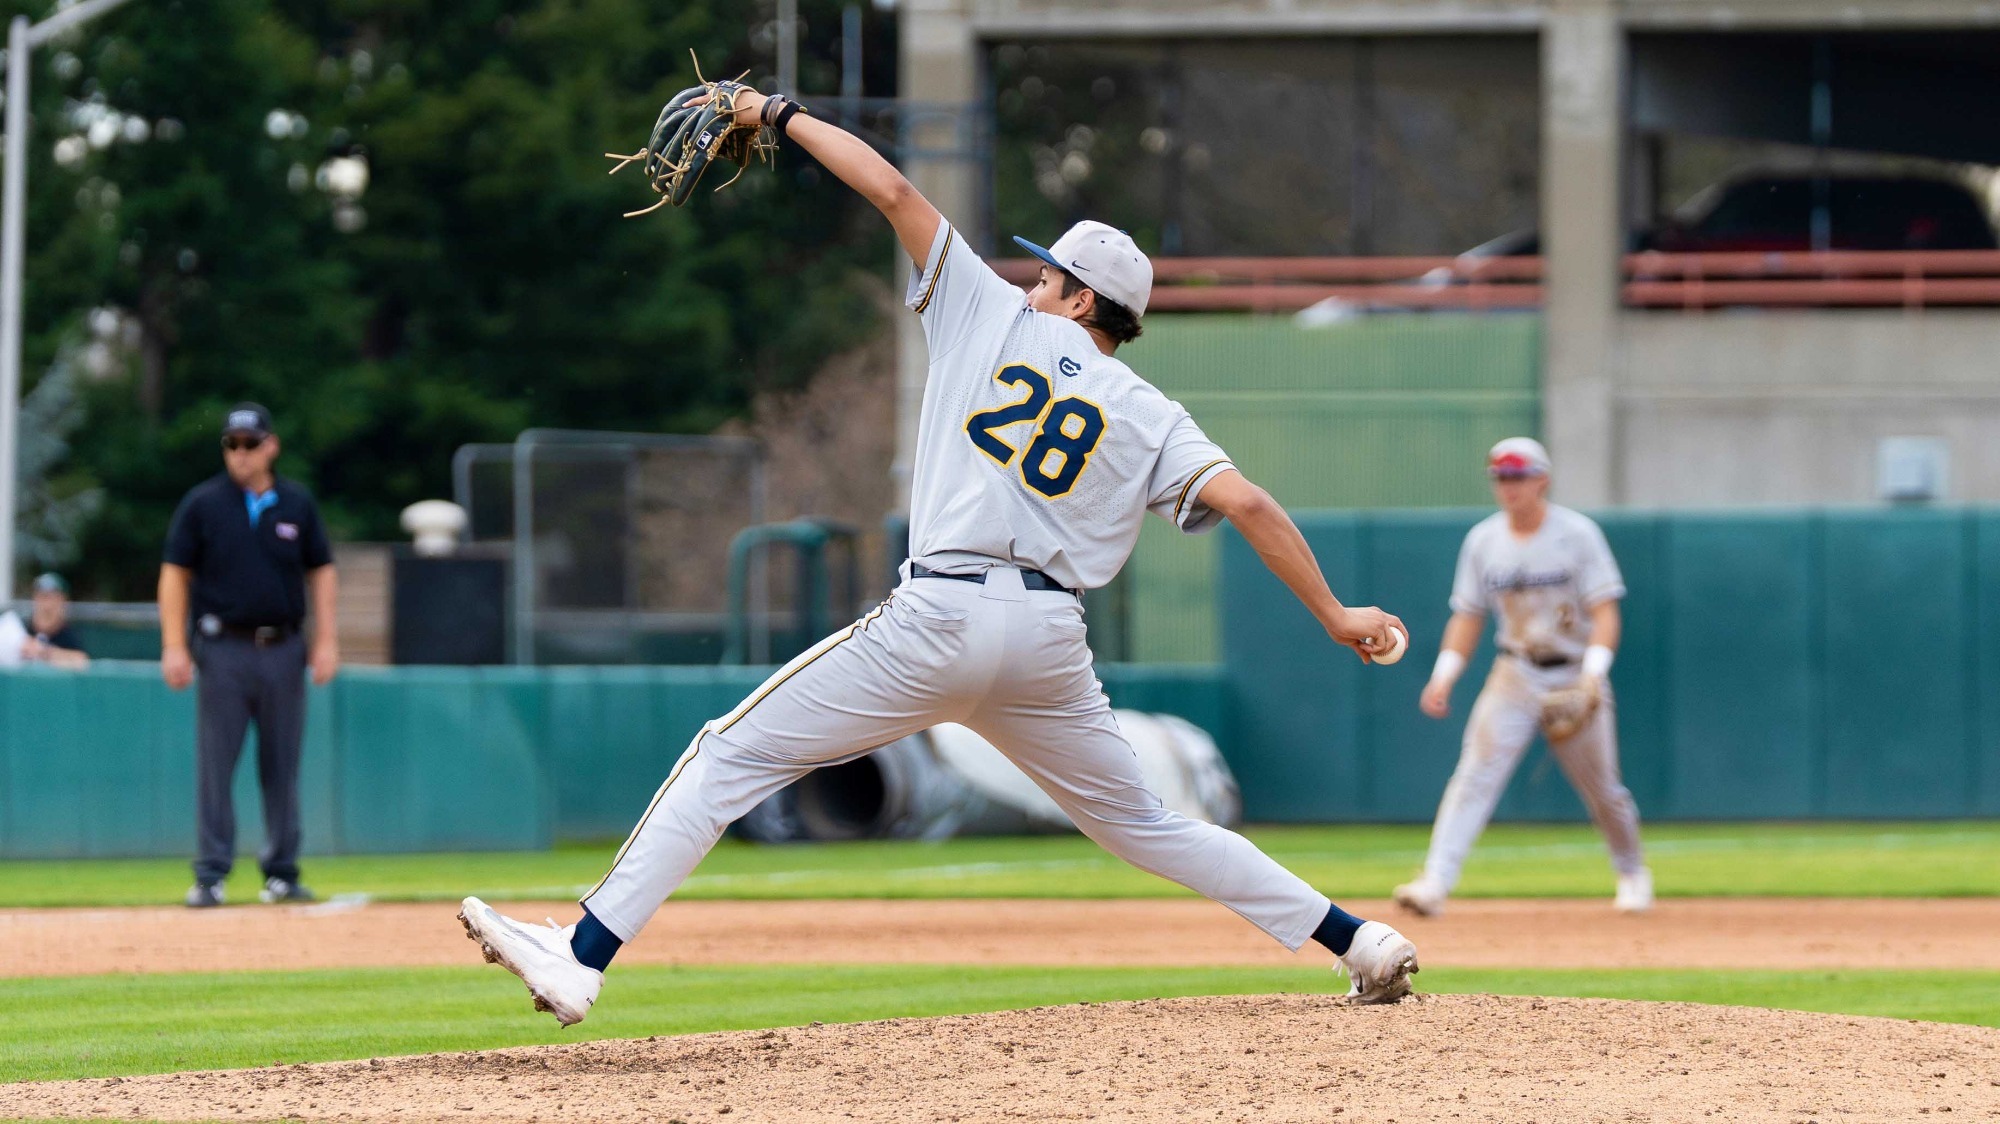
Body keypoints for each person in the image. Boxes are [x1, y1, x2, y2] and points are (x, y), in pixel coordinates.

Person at [459, 80, 1421, 1026]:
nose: (1028, 281)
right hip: (1047, 640)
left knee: (728, 754)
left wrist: (779, 116)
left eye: (1047, 276)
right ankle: (1357, 941)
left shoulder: (991, 316)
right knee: (1149, 827)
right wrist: (1337, 615)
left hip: (942, 612)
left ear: (1080, 300)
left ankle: (582, 957)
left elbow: (895, 192)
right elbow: (1246, 502)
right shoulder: (1150, 413)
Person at [1394, 437, 1651, 917]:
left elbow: (1606, 612)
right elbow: (1468, 617)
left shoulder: (1577, 534)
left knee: (1603, 789)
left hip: (1575, 671)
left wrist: (1594, 675)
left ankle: (1632, 872)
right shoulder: (1483, 540)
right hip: (1515, 671)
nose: (1508, 487)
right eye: (1501, 478)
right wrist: (1444, 676)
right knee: (1473, 775)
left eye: (1517, 477)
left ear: (1542, 479)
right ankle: (1435, 882)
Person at [159, 403, 340, 908]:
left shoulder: (296, 504)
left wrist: (326, 639)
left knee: (282, 763)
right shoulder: (203, 504)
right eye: (232, 444)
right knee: (217, 763)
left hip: (283, 647)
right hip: (223, 649)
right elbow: (175, 572)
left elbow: (322, 569)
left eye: (249, 443)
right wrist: (174, 644)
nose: (240, 453)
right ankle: (211, 874)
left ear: (270, 445)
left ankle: (281, 871)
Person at [18, 573, 90, 669]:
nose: (47, 604)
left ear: (62, 600)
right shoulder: (21, 629)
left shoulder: (68, 634)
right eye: (43, 597)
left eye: (52, 597)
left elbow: (81, 661)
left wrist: (45, 652)